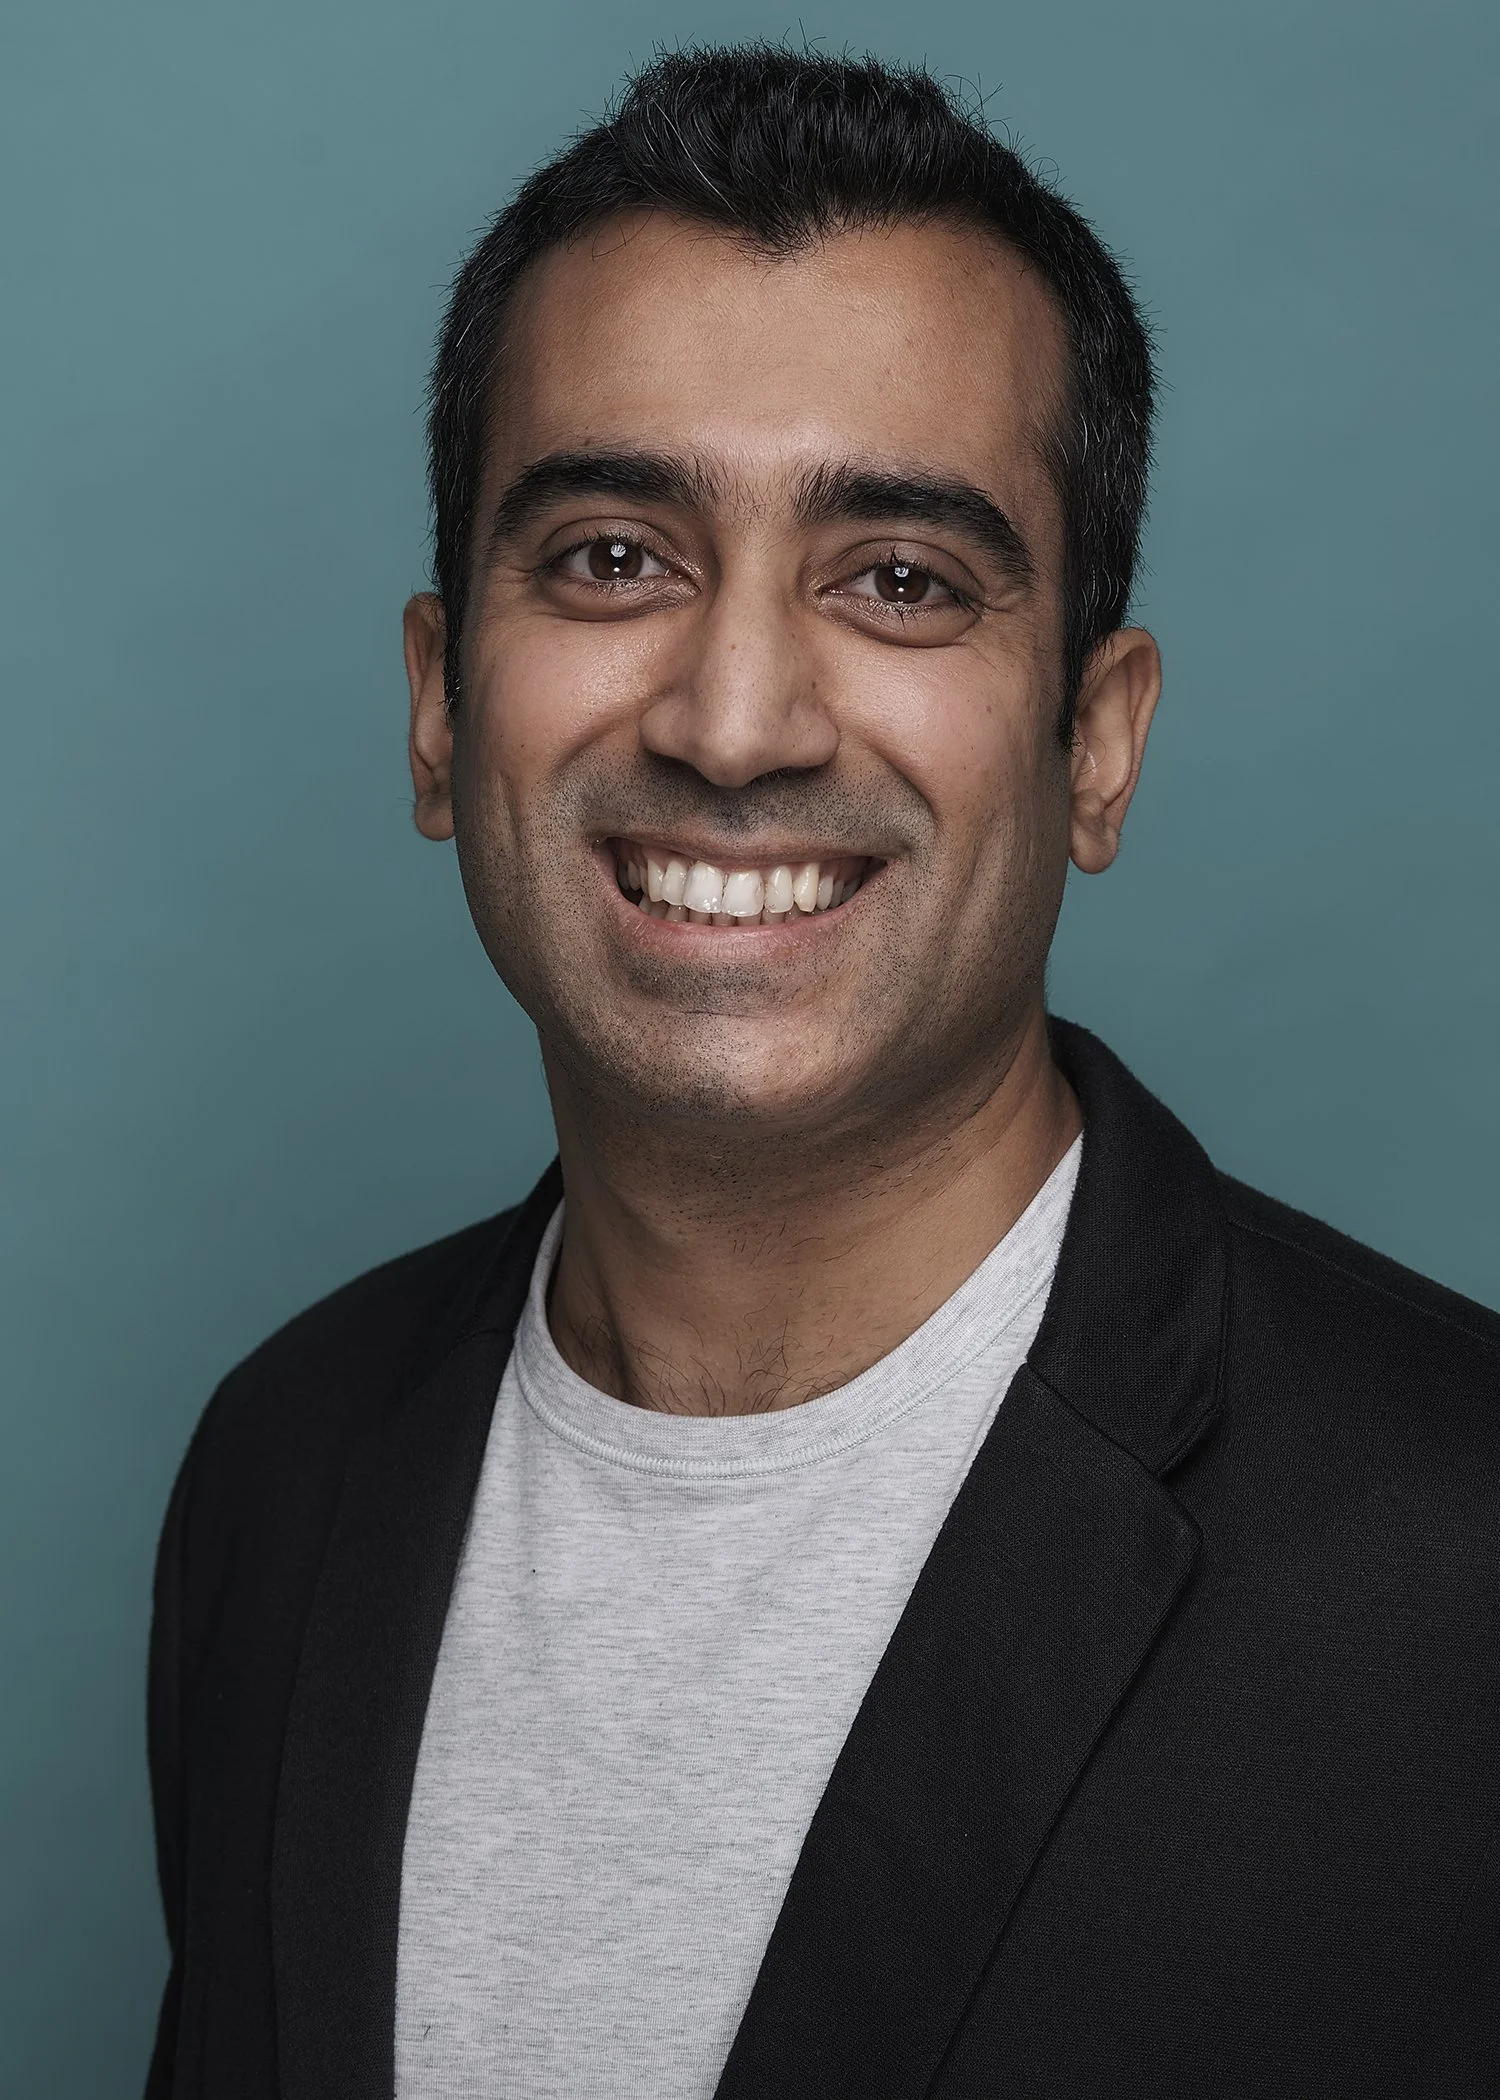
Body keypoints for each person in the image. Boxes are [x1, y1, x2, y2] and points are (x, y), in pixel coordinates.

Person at [143, 43, 1500, 2100]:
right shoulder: (285, 1472)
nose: (740, 715)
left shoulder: (1461, 1563)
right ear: (439, 708)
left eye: (901, 580)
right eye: (611, 553)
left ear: (1098, 741)